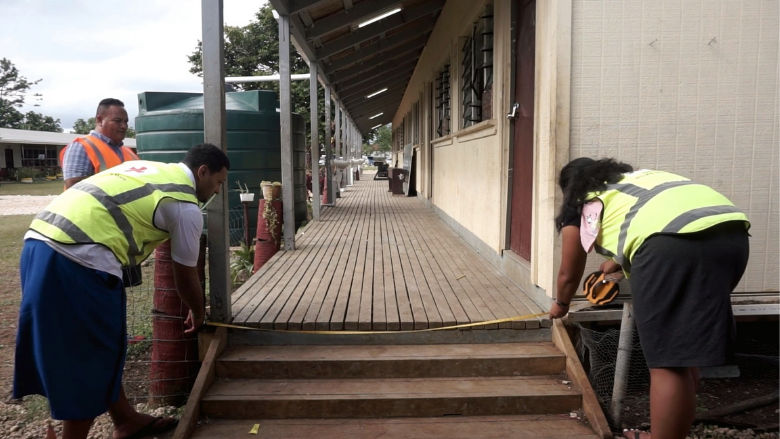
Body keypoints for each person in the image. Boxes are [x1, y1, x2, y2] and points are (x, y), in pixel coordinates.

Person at [14, 143, 230, 439]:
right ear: (202, 171)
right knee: (89, 354)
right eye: (218, 182)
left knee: (103, 344)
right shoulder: (183, 205)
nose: (217, 191)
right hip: (79, 259)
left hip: (38, 243)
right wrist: (197, 310)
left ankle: (125, 419)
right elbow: (185, 273)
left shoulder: (150, 168)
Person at [548, 158, 750, 439]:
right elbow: (658, 220)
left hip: (673, 246)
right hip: (731, 237)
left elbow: (569, 272)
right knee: (684, 352)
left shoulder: (583, 199)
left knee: (667, 361)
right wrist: (617, 263)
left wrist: (561, 304)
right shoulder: (640, 179)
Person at [60, 98, 138, 189]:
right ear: (100, 120)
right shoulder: (81, 147)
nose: (124, 126)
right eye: (117, 121)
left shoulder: (128, 152)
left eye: (126, 121)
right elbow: (74, 189)